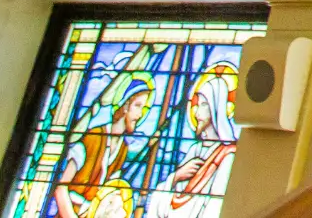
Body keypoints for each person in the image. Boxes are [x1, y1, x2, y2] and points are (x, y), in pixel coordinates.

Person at [52, 71, 157, 218]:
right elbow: (60, 188)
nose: (140, 114)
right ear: (125, 105)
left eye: (143, 108)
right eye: (138, 106)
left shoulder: (122, 149)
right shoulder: (93, 137)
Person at [145, 64, 239, 218]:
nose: (196, 112)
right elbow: (165, 204)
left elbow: (215, 206)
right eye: (196, 105)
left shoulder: (228, 156)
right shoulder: (194, 150)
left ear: (216, 109)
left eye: (203, 105)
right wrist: (175, 177)